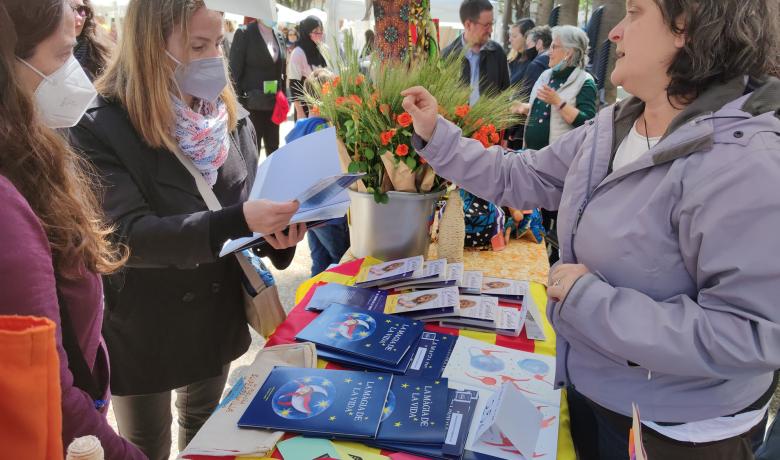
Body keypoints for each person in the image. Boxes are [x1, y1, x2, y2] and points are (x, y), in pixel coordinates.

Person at [400, 0, 780, 457]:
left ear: (688, 27)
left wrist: (589, 301)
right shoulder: (615, 125)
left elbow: (753, 333)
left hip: (675, 431)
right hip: (593, 391)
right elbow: (523, 176)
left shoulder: (745, 162)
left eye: (635, 14)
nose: (614, 34)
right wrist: (437, 135)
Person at [68, 1, 306, 458]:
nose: (214, 58)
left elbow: (246, 201)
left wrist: (280, 234)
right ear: (150, 46)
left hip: (214, 315)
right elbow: (128, 237)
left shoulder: (228, 116)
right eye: (198, 45)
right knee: (143, 445)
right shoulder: (102, 124)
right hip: (144, 322)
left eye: (218, 42)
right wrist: (241, 220)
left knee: (204, 434)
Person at [0, 0, 144, 458]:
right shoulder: (7, 207)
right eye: (64, 57)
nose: (76, 77)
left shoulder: (27, 157)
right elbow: (45, 386)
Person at [513, 25, 597, 264]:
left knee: (556, 217)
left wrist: (558, 101)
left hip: (560, 166)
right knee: (532, 212)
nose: (549, 52)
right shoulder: (548, 75)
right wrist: (524, 109)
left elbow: (587, 123)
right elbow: (542, 111)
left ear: (569, 53)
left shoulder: (585, 82)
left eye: (555, 47)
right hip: (534, 157)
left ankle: (554, 264)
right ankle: (531, 260)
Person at [285, 68, 350, 277]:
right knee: (341, 261)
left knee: (319, 261)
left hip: (309, 211)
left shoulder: (301, 126)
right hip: (330, 214)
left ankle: (312, 302)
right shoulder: (324, 130)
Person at [229, 17, 287, 155]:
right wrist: (237, 106)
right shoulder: (244, 33)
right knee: (252, 151)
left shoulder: (279, 35)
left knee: (274, 148)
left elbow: (282, 70)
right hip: (251, 105)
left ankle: (273, 176)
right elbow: (233, 72)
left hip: (273, 103)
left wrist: (284, 96)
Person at [442, 0, 510, 107]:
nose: (491, 30)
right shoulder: (447, 56)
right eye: (486, 25)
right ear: (468, 25)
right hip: (455, 123)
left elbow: (505, 95)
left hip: (490, 122)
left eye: (492, 23)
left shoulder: (497, 53)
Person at [289, 15, 326, 119]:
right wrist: (300, 112)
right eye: (316, 31)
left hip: (323, 106)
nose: (319, 34)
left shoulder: (320, 50)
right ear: (307, 32)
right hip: (305, 108)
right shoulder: (297, 53)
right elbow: (294, 84)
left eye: (321, 30)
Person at [71, 0, 112, 80]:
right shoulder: (42, 58)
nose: (79, 17)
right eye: (70, 9)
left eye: (82, 10)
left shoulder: (100, 55)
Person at [521, 25, 552, 98]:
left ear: (539, 43)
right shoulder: (558, 61)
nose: (526, 49)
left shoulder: (536, 65)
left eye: (528, 45)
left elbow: (525, 95)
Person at [507, 18, 536, 85]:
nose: (510, 40)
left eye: (514, 36)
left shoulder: (531, 63)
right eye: (510, 35)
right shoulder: (512, 60)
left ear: (527, 37)